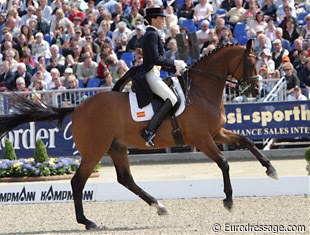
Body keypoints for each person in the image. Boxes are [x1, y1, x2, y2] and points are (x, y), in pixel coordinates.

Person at [137, 8, 187, 147]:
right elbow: (155, 59)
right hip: (150, 74)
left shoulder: (152, 34)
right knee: (172, 98)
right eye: (161, 18)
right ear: (153, 19)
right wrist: (174, 62)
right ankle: (148, 131)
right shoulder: (152, 34)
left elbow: (159, 61)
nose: (164, 21)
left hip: (155, 72)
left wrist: (174, 68)